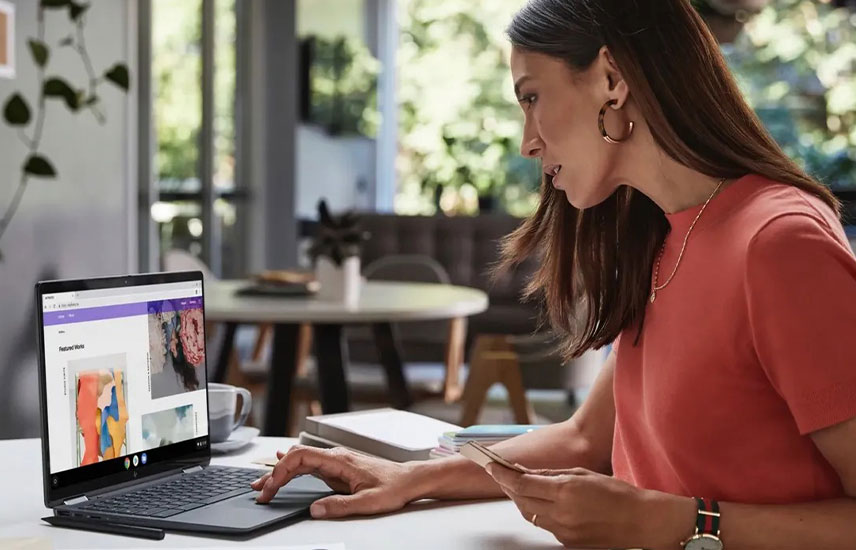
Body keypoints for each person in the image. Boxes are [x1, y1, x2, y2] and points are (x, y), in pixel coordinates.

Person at [252, 0, 856, 548]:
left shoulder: (780, 246)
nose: (526, 143)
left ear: (612, 80)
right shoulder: (663, 233)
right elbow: (585, 441)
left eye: (531, 98)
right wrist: (410, 478)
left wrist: (679, 523)